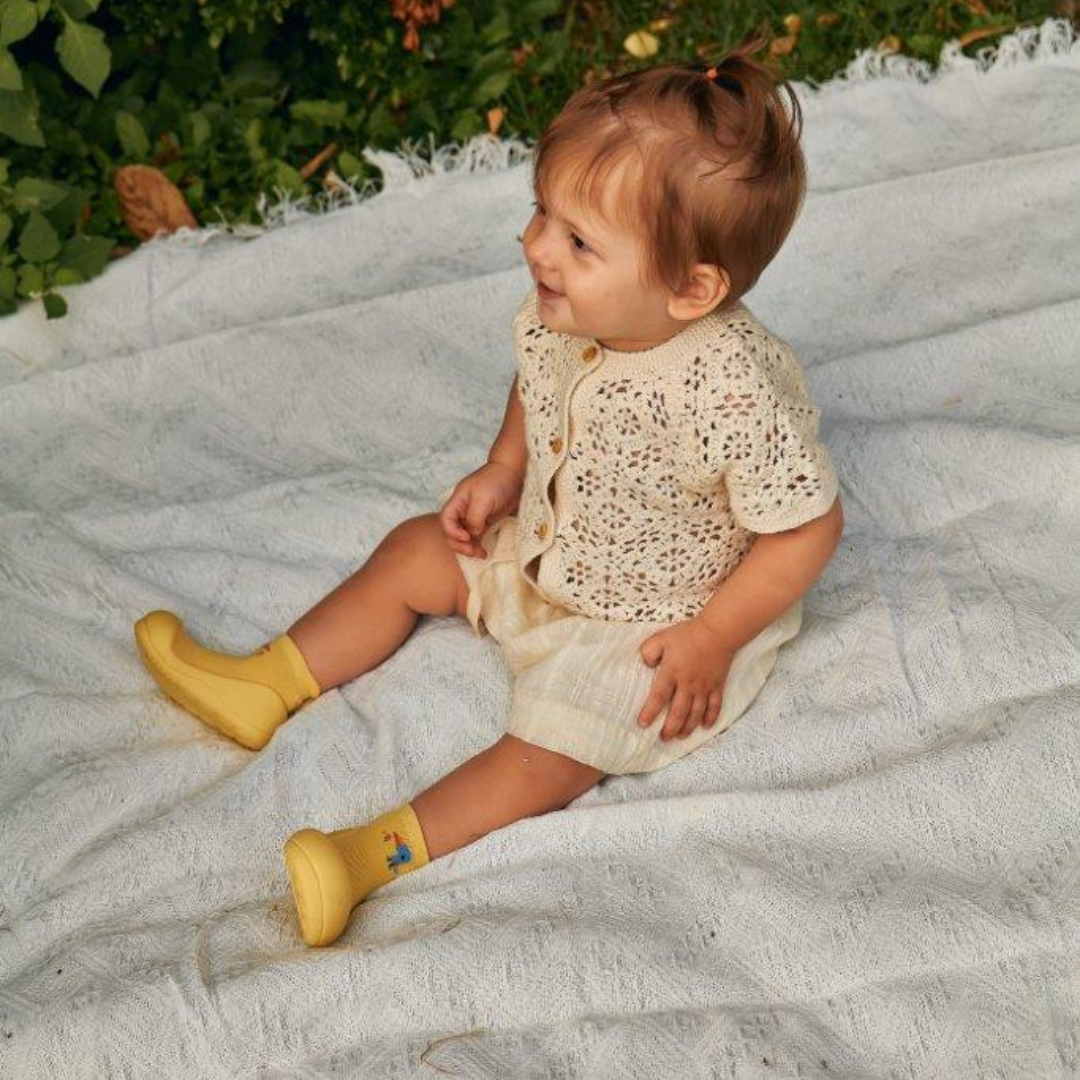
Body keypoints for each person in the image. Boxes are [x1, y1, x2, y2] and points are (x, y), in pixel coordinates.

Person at [133, 31, 845, 948]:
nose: (537, 246)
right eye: (542, 210)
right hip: (547, 546)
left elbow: (806, 528)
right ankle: (266, 680)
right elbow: (537, 384)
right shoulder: (566, 311)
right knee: (417, 548)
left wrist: (713, 636)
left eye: (578, 240)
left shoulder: (730, 388)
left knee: (556, 745)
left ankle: (370, 856)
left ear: (691, 288)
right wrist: (506, 469)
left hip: (654, 623)